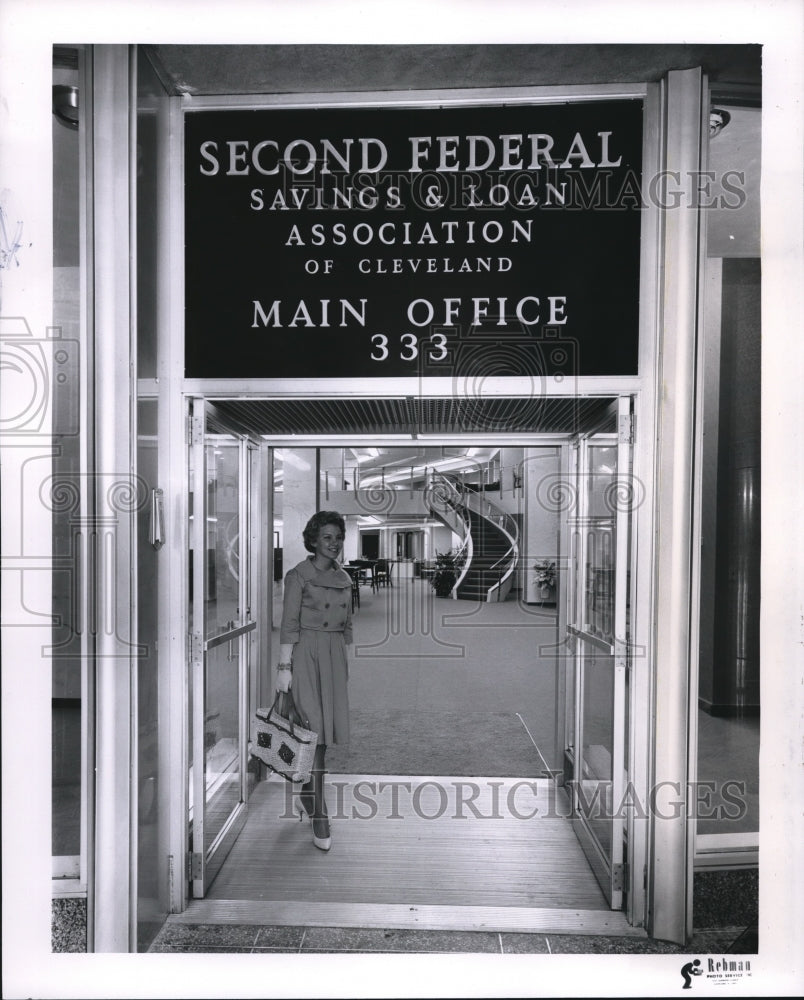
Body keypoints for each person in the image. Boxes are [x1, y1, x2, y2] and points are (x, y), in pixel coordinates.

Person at [276, 511, 352, 851]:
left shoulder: (345, 578)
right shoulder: (298, 576)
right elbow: (288, 624)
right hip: (304, 655)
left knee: (323, 737)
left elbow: (345, 624)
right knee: (314, 735)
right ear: (313, 540)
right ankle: (319, 814)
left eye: (338, 537)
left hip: (334, 658)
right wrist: (283, 667)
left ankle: (307, 795)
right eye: (326, 538)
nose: (333, 544)